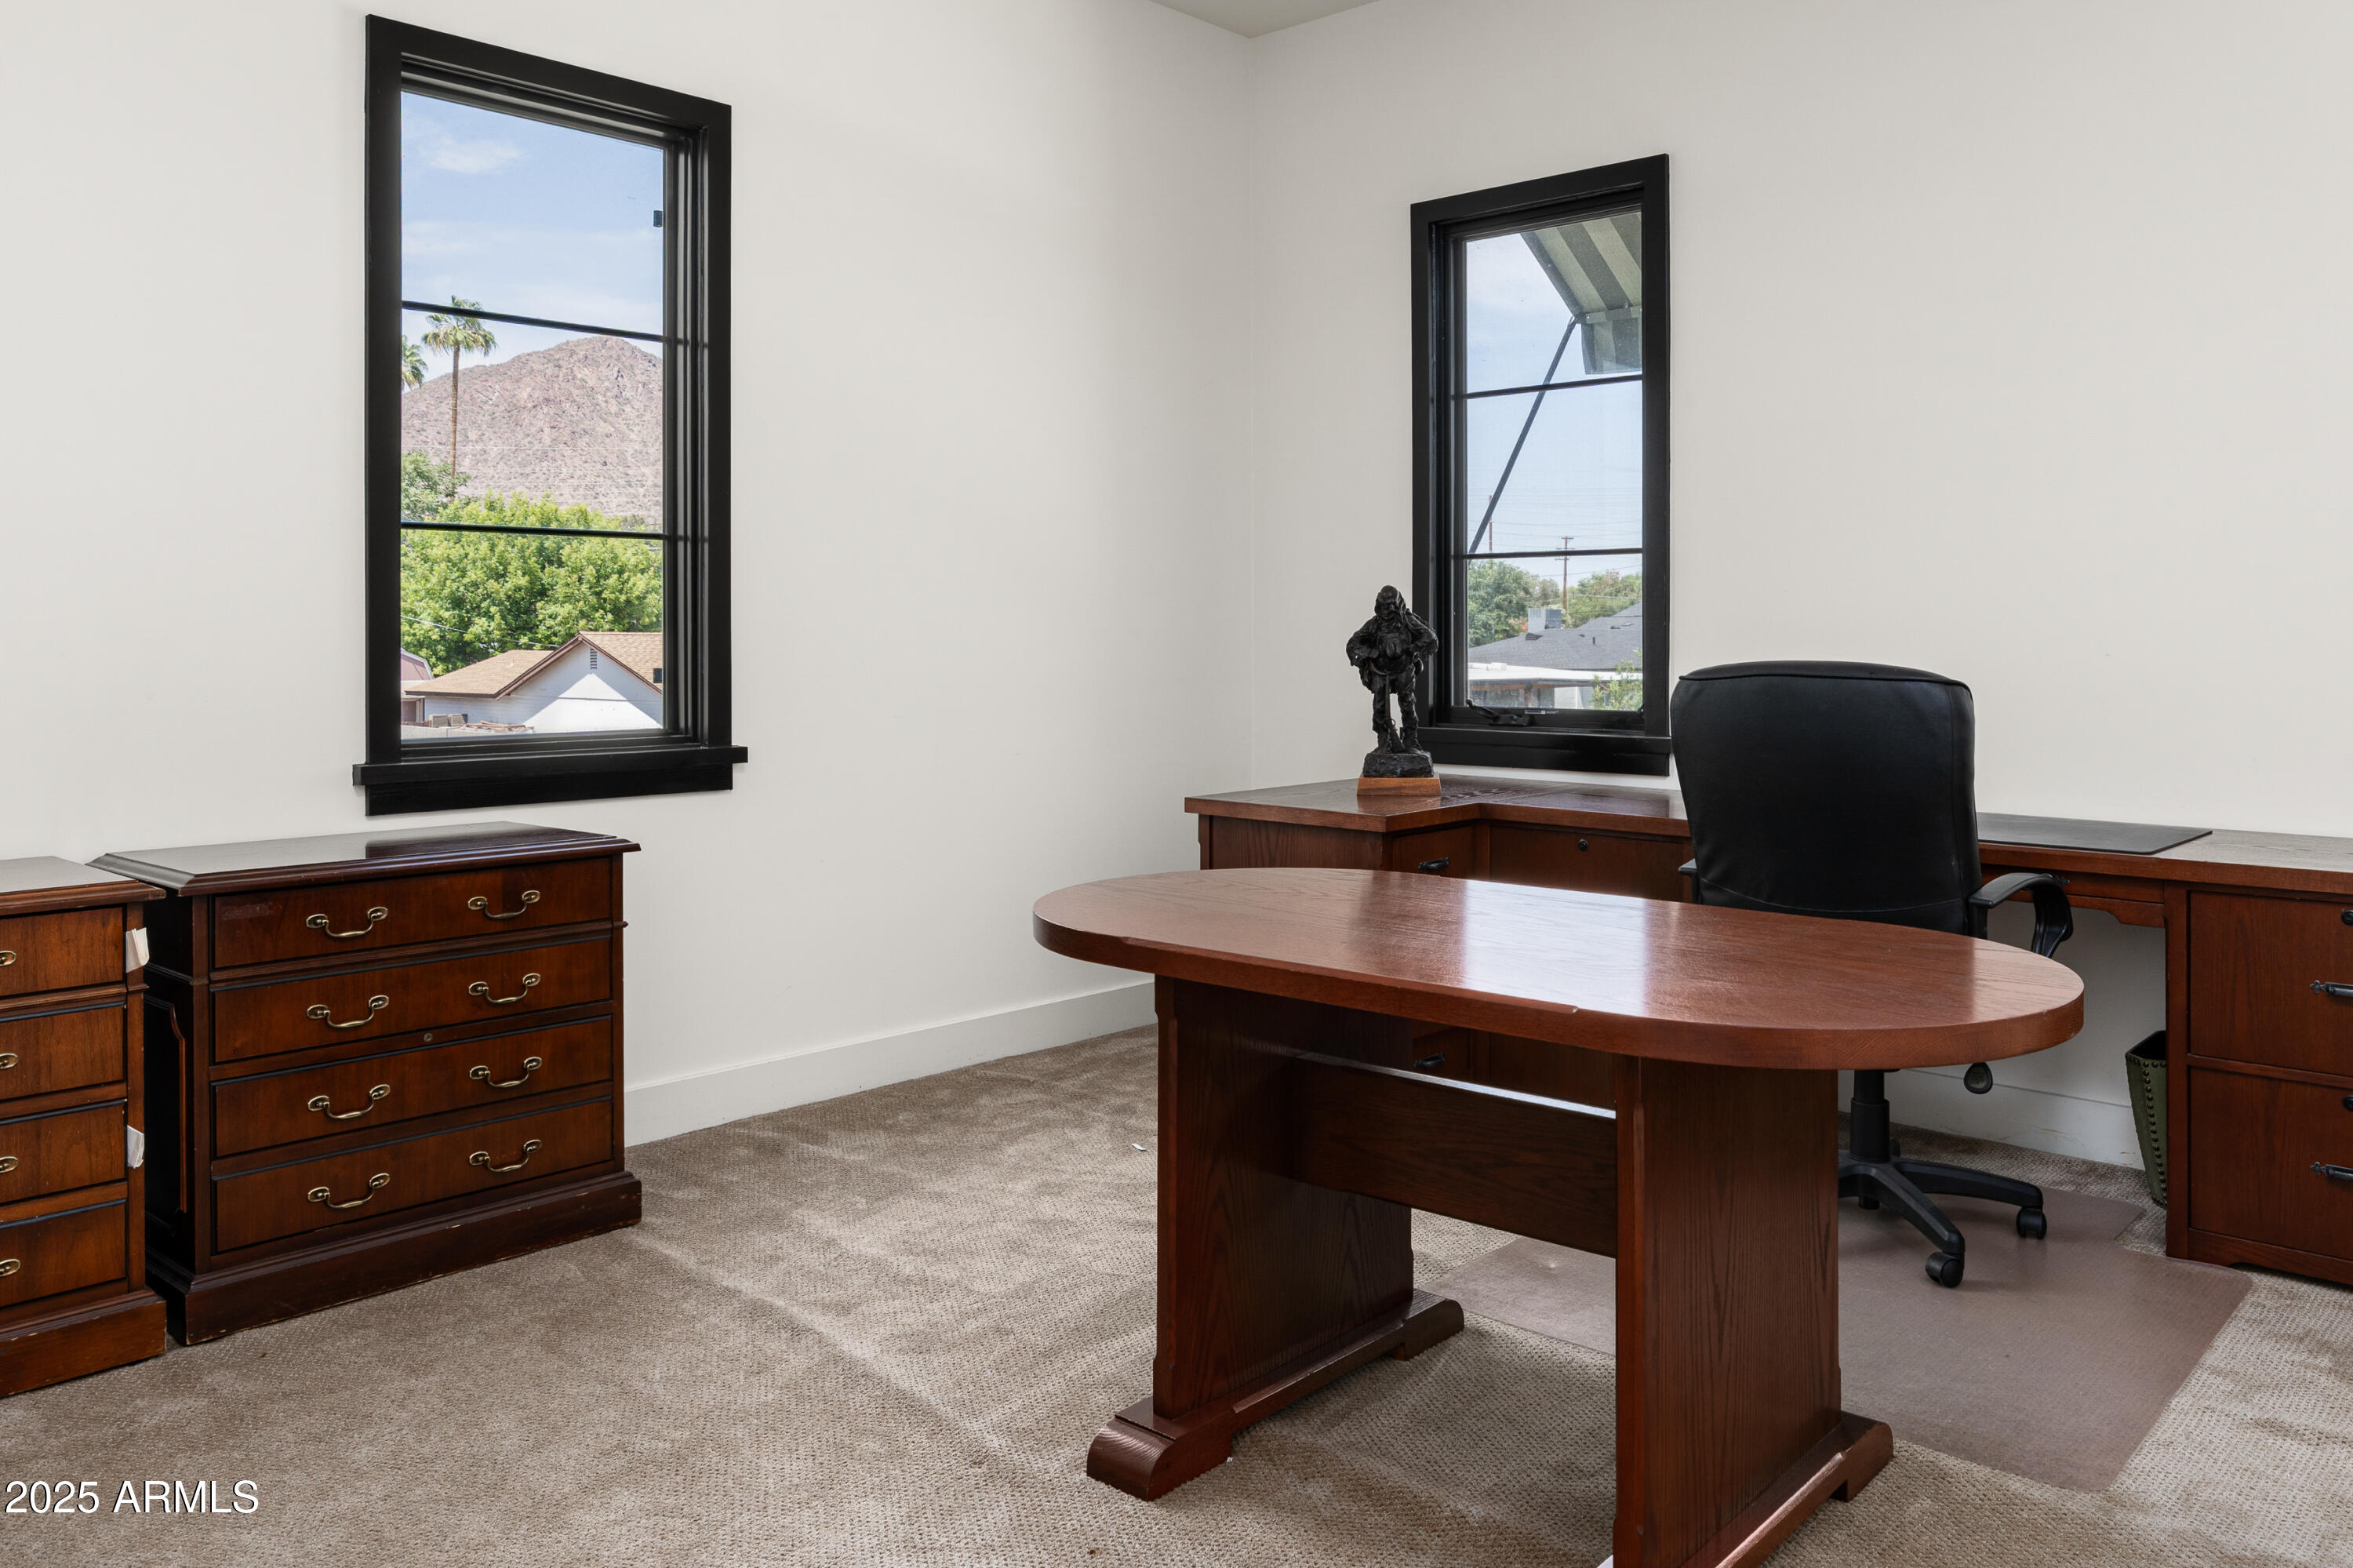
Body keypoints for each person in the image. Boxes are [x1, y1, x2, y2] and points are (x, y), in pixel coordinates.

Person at [1345, 585, 1438, 762]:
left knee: (1408, 703)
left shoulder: (1408, 621)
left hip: (1404, 669)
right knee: (1380, 706)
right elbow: (1353, 643)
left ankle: (1410, 741)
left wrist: (1411, 649)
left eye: (1391, 606)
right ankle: (1383, 741)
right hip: (1380, 671)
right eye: (1384, 606)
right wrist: (1372, 653)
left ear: (1398, 605)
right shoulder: (1374, 624)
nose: (1388, 610)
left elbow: (1430, 638)